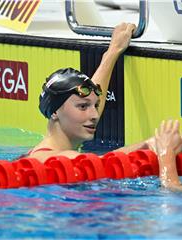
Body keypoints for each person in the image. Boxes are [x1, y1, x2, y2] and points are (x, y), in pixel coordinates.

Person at [25, 23, 155, 163]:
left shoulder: (50, 150)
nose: (94, 115)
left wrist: (113, 51)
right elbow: (98, 163)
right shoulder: (45, 158)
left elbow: (93, 93)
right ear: (55, 112)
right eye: (82, 107)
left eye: (95, 106)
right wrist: (151, 144)